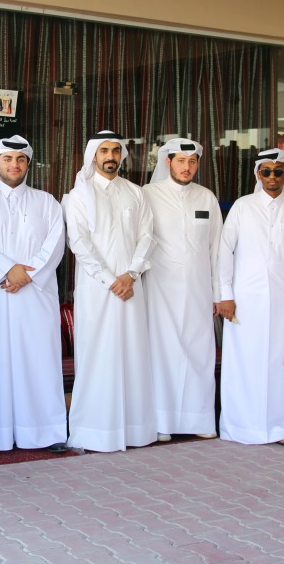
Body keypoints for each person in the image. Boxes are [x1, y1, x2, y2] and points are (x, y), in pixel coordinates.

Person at [0, 136, 68, 452]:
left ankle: (44, 432)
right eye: (8, 159)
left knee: (38, 361)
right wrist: (8, 270)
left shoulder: (47, 202)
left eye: (21, 159)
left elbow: (55, 244)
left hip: (35, 296)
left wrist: (28, 275)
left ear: (28, 164)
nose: (15, 165)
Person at [64, 131, 156, 452]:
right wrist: (110, 280)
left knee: (133, 355)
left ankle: (135, 430)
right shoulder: (78, 195)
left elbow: (148, 236)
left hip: (131, 287)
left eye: (116, 151)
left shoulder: (135, 192)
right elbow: (79, 243)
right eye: (104, 150)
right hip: (97, 290)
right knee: (98, 356)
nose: (110, 156)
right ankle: (95, 432)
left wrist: (131, 274)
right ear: (93, 155)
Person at [217, 149, 284, 446]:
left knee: (281, 362)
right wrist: (225, 294)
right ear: (258, 174)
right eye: (267, 171)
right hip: (245, 299)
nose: (272, 177)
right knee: (245, 361)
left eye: (278, 171)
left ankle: (282, 426)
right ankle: (242, 426)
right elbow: (224, 251)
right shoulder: (243, 206)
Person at [141, 138, 222, 441]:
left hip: (199, 289)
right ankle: (163, 422)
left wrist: (218, 293)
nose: (187, 167)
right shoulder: (148, 194)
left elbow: (216, 249)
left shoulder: (207, 198)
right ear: (168, 162)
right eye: (180, 161)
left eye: (192, 162)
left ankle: (200, 420)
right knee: (163, 353)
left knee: (200, 352)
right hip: (160, 289)